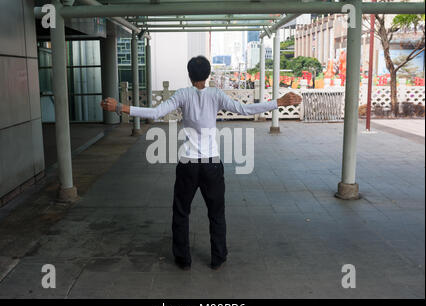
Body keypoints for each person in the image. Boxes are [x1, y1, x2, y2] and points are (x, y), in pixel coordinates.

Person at [101, 55, 302, 271]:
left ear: (189, 75)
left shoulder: (183, 94)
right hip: (212, 164)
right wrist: (278, 102)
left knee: (181, 212)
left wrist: (120, 107)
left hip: (188, 164)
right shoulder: (215, 94)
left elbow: (155, 112)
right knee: (216, 213)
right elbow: (244, 109)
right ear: (207, 75)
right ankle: (218, 257)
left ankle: (183, 259)